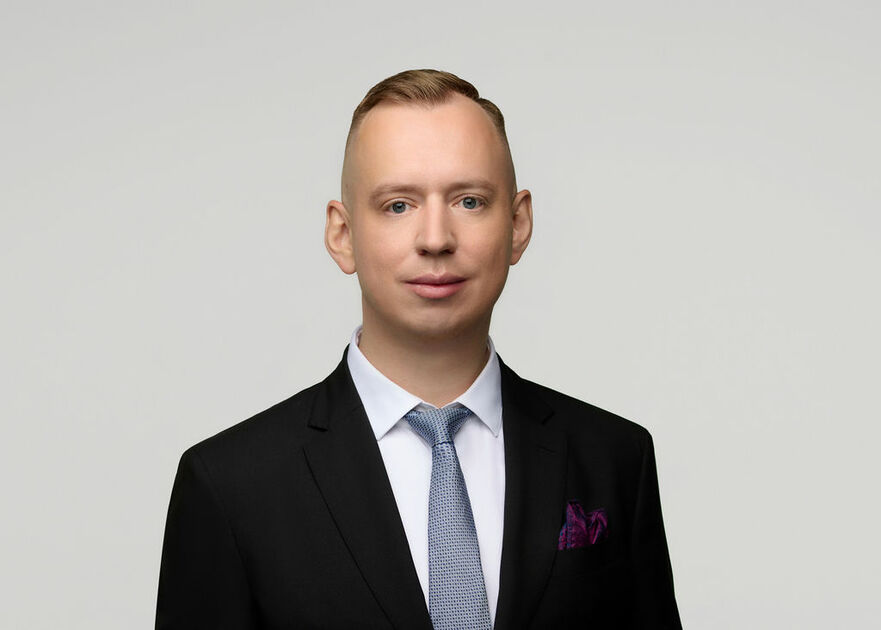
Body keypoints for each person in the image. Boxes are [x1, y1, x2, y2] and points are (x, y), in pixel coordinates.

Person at [155, 69, 682, 629]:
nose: (435, 239)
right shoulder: (231, 485)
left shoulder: (614, 459)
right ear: (342, 234)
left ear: (518, 224)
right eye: (398, 205)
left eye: (470, 201)